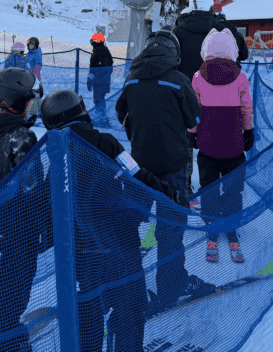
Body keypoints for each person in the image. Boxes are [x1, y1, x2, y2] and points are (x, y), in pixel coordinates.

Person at [40, 89, 188, 352]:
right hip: (118, 242)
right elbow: (138, 175)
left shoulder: (55, 153)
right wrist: (171, 194)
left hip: (81, 248)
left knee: (89, 306)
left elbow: (45, 199)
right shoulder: (105, 142)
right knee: (130, 303)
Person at [115, 28, 214, 312]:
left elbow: (121, 113)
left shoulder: (131, 79)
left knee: (129, 225)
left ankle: (123, 287)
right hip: (174, 165)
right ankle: (171, 286)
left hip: (140, 166)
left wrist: (138, 129)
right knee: (171, 229)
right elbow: (195, 118)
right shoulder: (178, 80)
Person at [0, 68, 44, 352]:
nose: (32, 106)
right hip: (21, 218)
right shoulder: (20, 136)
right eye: (29, 101)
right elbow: (33, 183)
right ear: (16, 102)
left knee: (10, 269)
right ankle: (3, 328)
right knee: (20, 274)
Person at [189, 29, 254, 264]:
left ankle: (211, 220)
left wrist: (192, 134)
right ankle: (231, 220)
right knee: (233, 186)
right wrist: (249, 131)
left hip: (207, 142)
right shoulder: (240, 76)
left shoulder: (198, 76)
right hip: (233, 143)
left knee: (209, 184)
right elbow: (246, 107)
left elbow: (193, 110)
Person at [174, 0, 248, 79]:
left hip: (185, 86)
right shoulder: (224, 29)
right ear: (210, 7)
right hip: (216, 86)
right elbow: (244, 54)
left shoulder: (177, 30)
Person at [88, 32, 114, 124]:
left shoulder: (95, 54)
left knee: (98, 100)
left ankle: (101, 119)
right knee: (101, 99)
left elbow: (92, 70)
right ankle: (102, 118)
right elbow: (110, 68)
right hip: (106, 82)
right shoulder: (107, 52)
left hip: (98, 82)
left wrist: (89, 82)